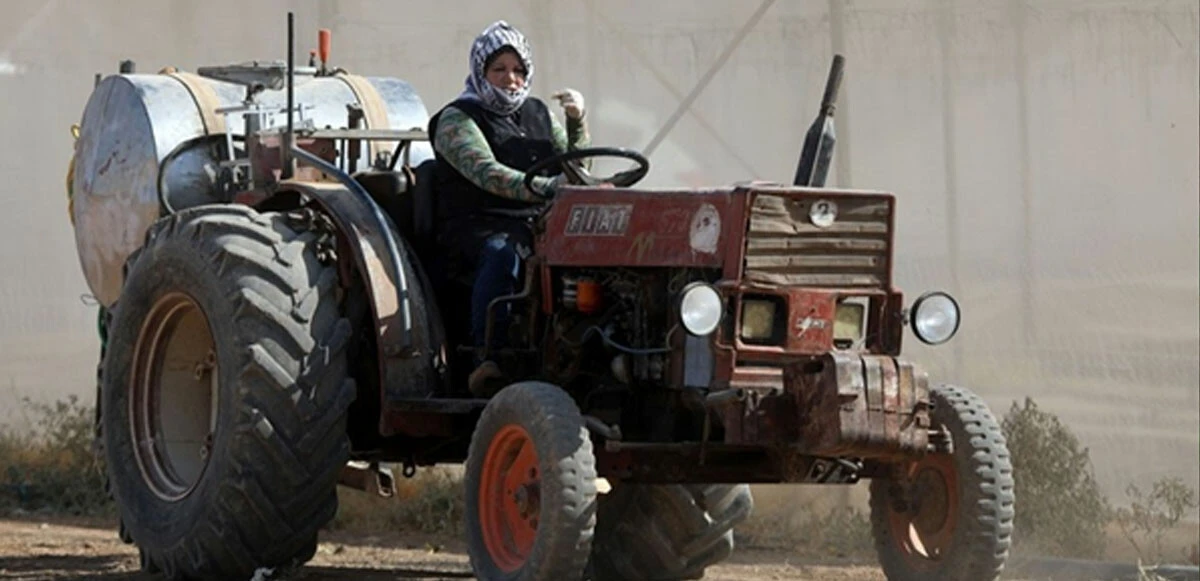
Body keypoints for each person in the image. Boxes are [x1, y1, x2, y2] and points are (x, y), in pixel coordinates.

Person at [427, 20, 590, 396]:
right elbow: (487, 173)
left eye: (518, 70)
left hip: (539, 221)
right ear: (480, 71)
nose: (510, 79)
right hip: (479, 223)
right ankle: (489, 357)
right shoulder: (457, 119)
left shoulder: (539, 114)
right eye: (499, 69)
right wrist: (550, 188)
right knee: (503, 253)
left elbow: (576, 169)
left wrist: (576, 123)